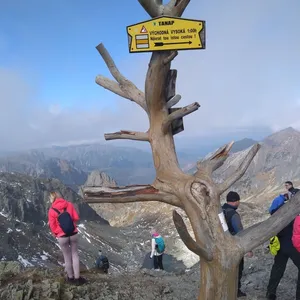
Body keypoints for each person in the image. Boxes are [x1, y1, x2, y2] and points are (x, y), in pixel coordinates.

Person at [266, 184, 300, 300]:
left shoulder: (280, 209)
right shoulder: (297, 212)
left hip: (280, 244)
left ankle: (270, 293)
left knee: (278, 268)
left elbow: (271, 215)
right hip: (293, 246)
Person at [48, 191, 86, 285]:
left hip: (62, 236)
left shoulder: (52, 210)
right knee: (75, 255)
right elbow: (76, 218)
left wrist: (57, 233)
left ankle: (70, 278)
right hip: (73, 233)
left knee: (67, 257)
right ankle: (78, 278)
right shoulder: (68, 204)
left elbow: (52, 227)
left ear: (52, 199)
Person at [222, 191, 253, 298]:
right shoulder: (233, 214)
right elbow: (240, 232)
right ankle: (235, 291)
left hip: (221, 246)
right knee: (237, 269)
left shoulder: (221, 211)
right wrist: (248, 249)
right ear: (236, 201)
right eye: (238, 201)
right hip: (233, 246)